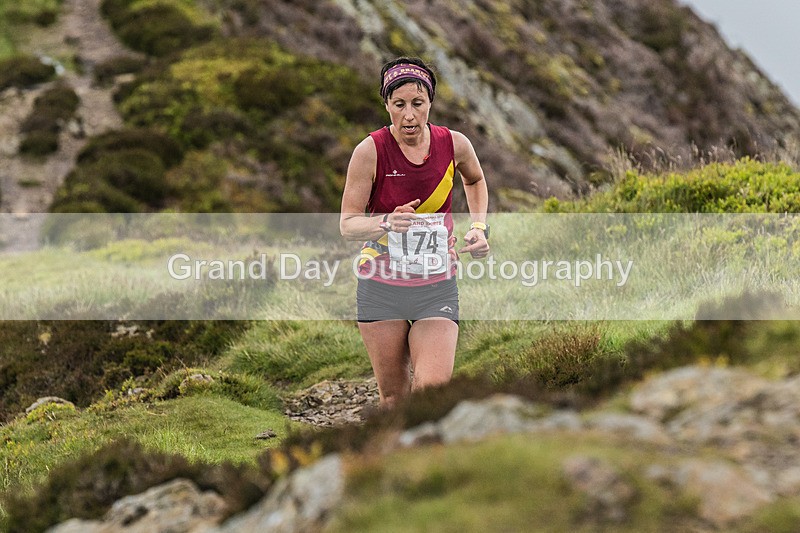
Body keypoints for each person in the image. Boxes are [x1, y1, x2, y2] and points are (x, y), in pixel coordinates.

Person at [340, 57, 490, 408]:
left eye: (418, 104)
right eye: (399, 105)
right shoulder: (370, 152)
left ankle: (426, 461)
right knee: (394, 399)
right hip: (381, 286)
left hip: (435, 284)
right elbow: (347, 224)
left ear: (430, 104)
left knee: (432, 395)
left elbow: (476, 179)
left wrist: (478, 228)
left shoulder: (454, 144)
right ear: (387, 105)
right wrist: (386, 223)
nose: (409, 115)